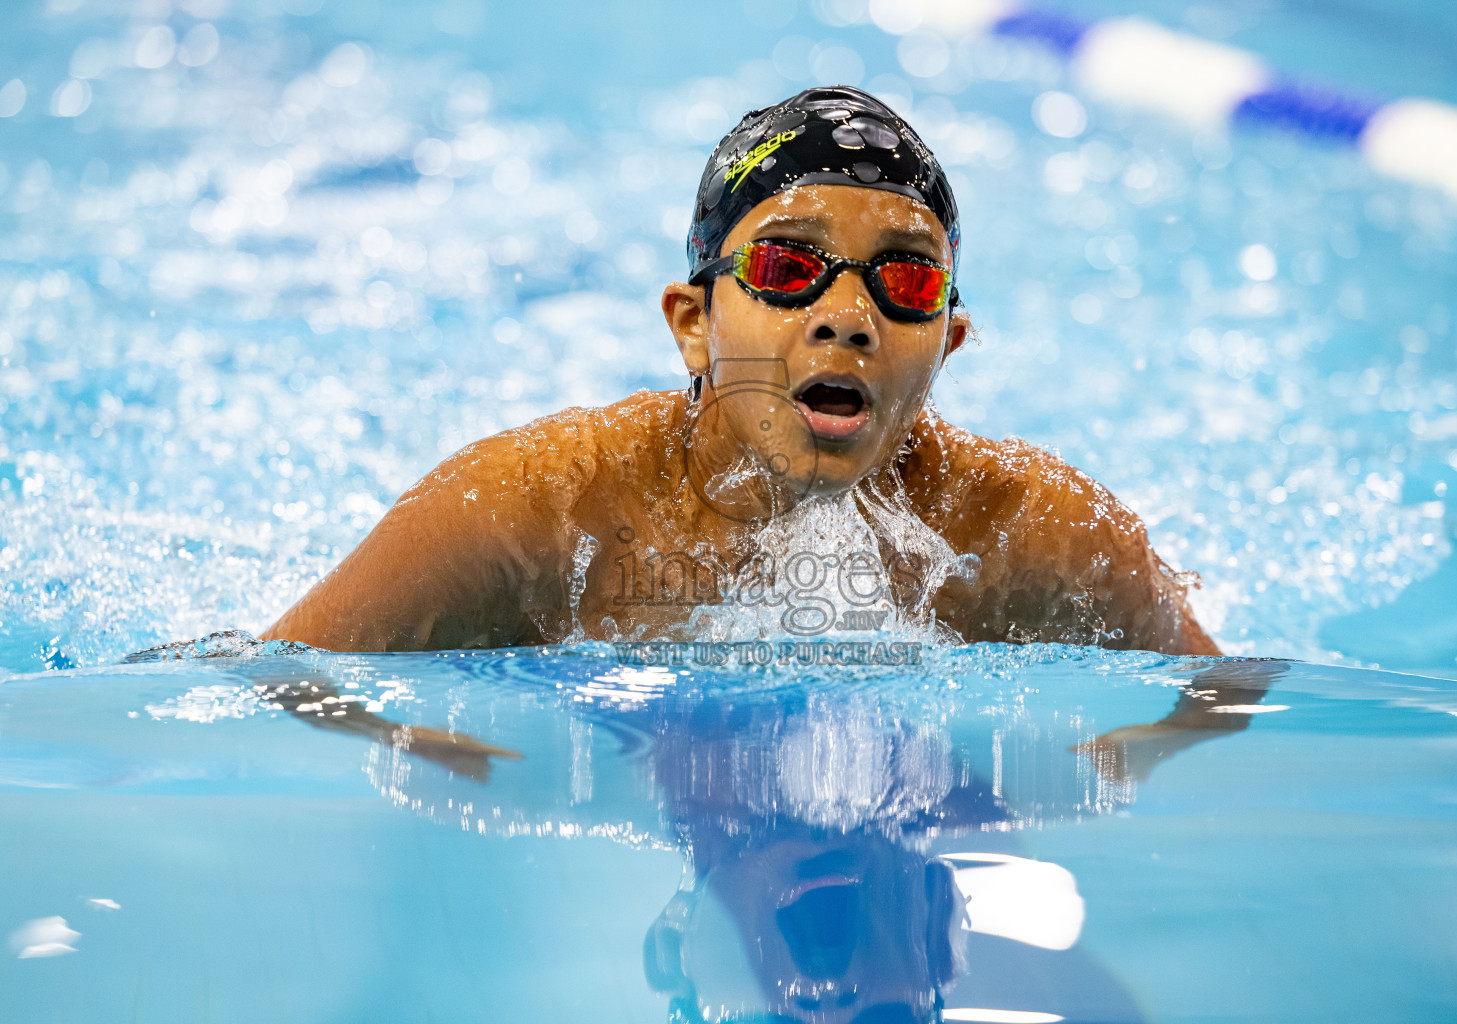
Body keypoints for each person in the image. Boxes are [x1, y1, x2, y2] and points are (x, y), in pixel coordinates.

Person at [261, 86, 1219, 657]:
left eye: (906, 280)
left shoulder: (1039, 535)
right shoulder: (533, 513)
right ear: (694, 324)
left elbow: (1215, 706)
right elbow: (270, 685)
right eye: (789, 268)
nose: (848, 319)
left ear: (948, 343)